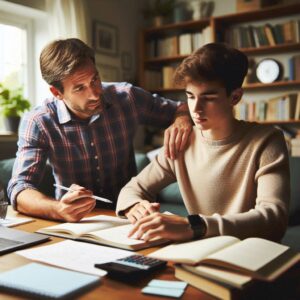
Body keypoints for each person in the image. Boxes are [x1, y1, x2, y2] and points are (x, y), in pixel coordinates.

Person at [116, 43, 290, 243]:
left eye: (208, 98)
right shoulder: (182, 141)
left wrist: (194, 226)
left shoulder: (267, 140)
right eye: (190, 96)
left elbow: (274, 219)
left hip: (252, 254)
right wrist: (135, 206)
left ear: (235, 97)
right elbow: (132, 189)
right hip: (200, 251)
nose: (196, 109)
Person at [7, 38, 192, 222]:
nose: (95, 94)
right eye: (80, 88)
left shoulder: (127, 97)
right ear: (57, 93)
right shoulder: (39, 122)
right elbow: (19, 188)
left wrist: (181, 120)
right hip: (79, 224)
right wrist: (58, 209)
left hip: (134, 215)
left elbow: (181, 108)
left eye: (95, 79)